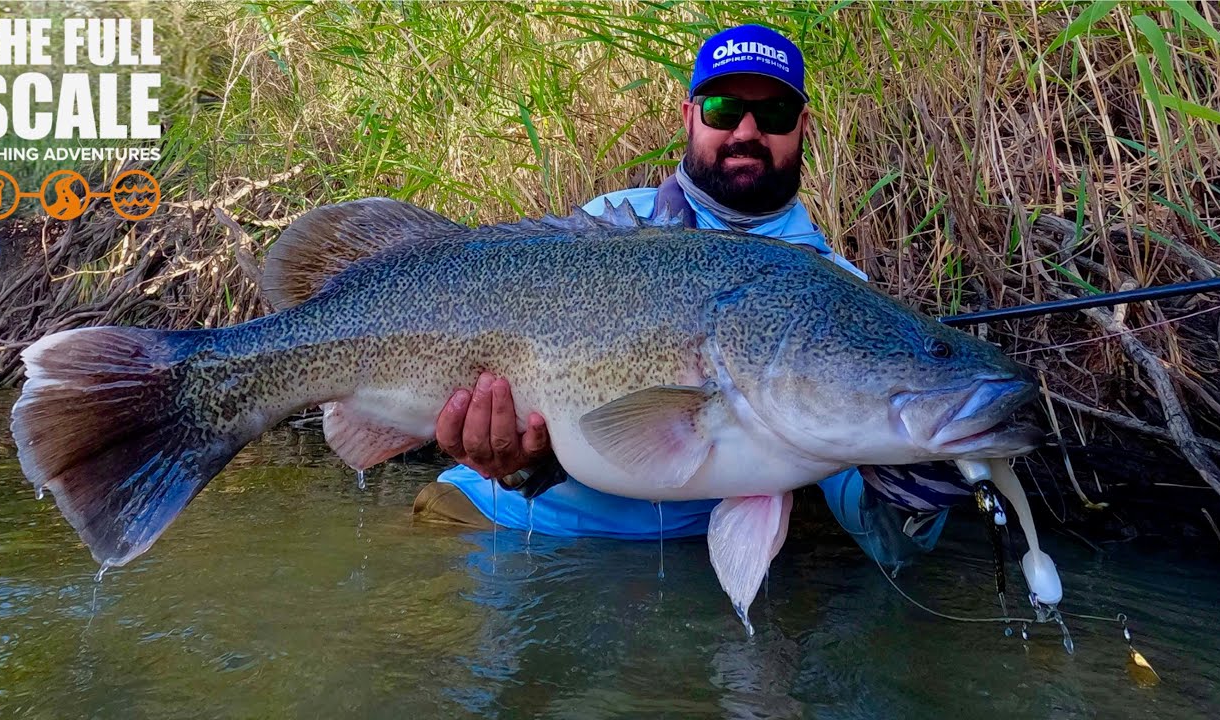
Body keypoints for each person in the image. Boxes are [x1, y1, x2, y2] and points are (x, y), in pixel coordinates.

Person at [412, 24, 974, 566]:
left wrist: (922, 488)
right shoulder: (608, 233)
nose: (747, 131)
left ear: (803, 125)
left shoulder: (840, 293)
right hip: (488, 524)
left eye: (773, 113)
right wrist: (513, 464)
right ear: (689, 117)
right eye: (724, 110)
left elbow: (869, 510)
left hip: (676, 569)